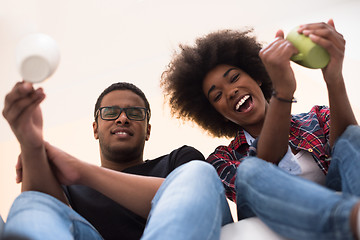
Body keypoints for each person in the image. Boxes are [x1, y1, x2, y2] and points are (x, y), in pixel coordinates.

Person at [161, 19, 360, 240]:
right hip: (277, 222)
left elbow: (351, 148)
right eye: (217, 96)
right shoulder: (221, 159)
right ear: (217, 114)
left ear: (257, 76)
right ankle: (351, 219)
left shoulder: (317, 118)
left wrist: (334, 78)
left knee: (352, 135)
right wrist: (283, 93)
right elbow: (264, 165)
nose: (231, 91)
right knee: (250, 169)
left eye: (234, 78)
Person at [2, 81, 233, 240]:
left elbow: (195, 195)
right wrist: (30, 143)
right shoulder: (71, 186)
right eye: (111, 112)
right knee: (30, 203)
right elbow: (39, 206)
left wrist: (83, 171)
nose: (122, 118)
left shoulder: (176, 161)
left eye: (134, 113)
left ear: (148, 131)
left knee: (199, 173)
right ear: (95, 129)